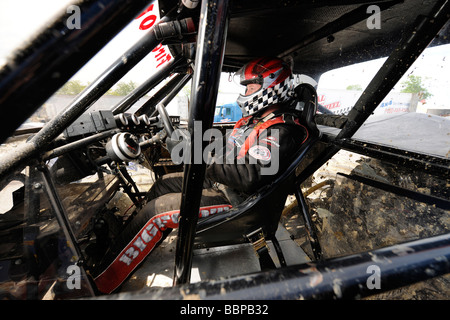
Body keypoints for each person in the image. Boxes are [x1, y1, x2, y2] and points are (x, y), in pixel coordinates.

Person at [91, 57, 309, 294]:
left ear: (272, 86)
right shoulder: (257, 120)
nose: (245, 92)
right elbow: (229, 149)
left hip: (239, 201)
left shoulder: (282, 131)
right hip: (225, 183)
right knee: (162, 185)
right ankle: (122, 246)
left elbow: (249, 175)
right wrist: (194, 143)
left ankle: (97, 286)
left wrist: (197, 155)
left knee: (157, 211)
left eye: (251, 86)